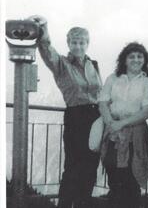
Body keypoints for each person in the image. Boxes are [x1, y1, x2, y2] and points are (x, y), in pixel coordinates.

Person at [28, 16, 102, 208]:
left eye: (82, 42)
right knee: (73, 167)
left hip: (96, 118)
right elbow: (46, 49)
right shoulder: (61, 64)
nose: (78, 46)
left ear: (87, 44)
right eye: (74, 42)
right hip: (76, 117)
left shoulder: (93, 65)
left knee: (91, 167)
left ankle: (82, 204)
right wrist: (42, 26)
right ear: (69, 43)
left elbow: (101, 92)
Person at [98, 42, 148, 208]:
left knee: (131, 178)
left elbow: (146, 111)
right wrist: (111, 124)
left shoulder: (147, 83)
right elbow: (103, 102)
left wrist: (121, 124)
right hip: (112, 133)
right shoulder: (113, 78)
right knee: (114, 176)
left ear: (145, 60)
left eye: (140, 56)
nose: (136, 60)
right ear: (124, 60)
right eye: (132, 56)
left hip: (135, 136)